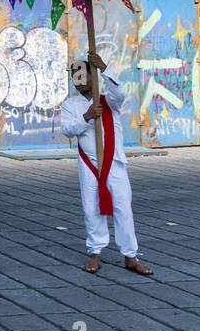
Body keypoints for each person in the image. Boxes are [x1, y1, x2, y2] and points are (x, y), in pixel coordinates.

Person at [60, 51, 154, 276]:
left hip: (115, 162)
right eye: (76, 76)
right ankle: (95, 252)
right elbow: (67, 129)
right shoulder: (70, 104)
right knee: (91, 208)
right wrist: (87, 117)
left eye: (84, 75)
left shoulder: (108, 100)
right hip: (89, 164)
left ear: (93, 77)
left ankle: (130, 256)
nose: (80, 80)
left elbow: (119, 93)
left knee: (123, 207)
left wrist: (103, 67)